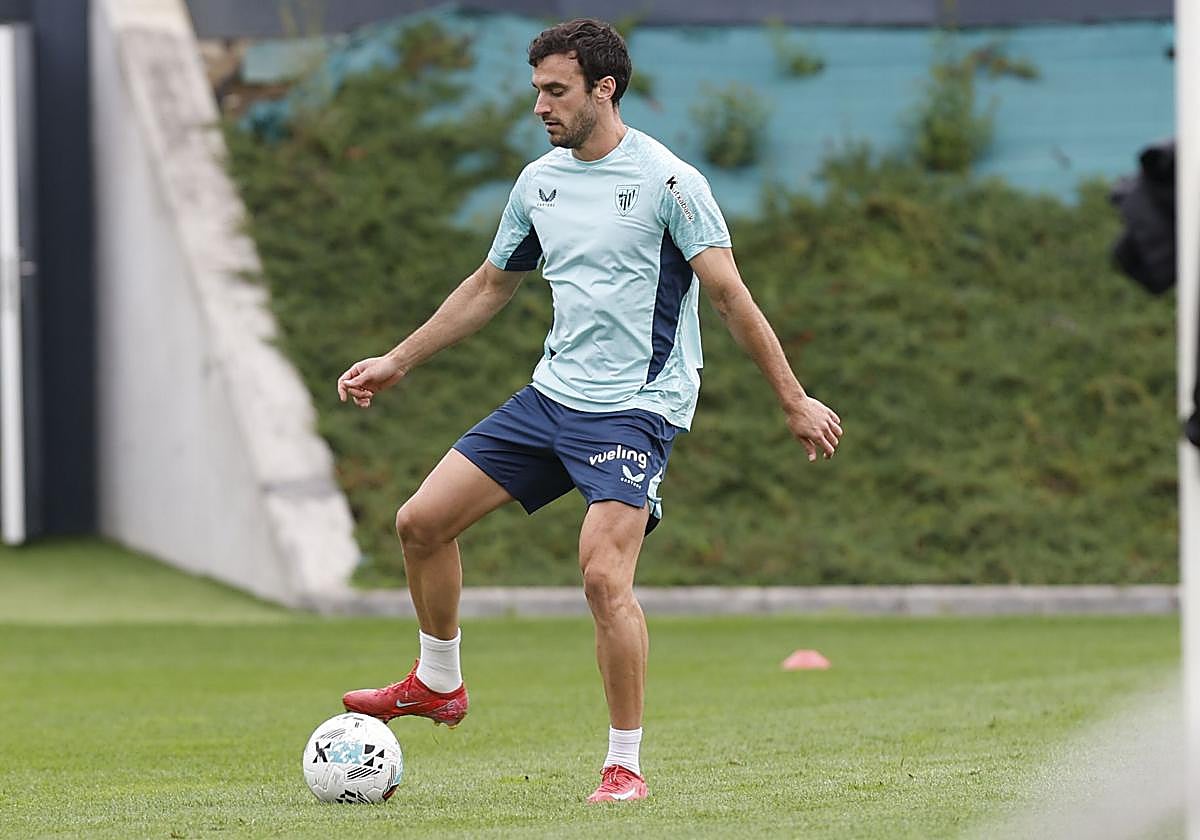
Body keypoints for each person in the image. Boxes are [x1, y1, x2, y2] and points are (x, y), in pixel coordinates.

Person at [336, 18, 843, 804]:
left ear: (604, 88)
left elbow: (729, 296)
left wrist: (793, 397)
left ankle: (624, 765)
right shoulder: (538, 183)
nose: (540, 106)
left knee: (604, 578)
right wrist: (398, 359)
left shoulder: (670, 183)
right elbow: (490, 285)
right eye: (537, 90)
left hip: (637, 408)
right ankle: (438, 683)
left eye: (556, 90)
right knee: (420, 523)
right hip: (552, 397)